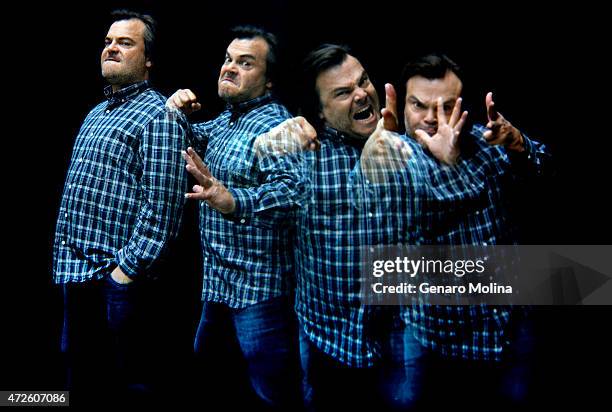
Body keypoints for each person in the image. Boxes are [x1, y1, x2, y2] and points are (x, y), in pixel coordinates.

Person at [387, 53, 551, 408]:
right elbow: (398, 215)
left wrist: (518, 143)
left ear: (464, 108)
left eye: (445, 106)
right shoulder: (391, 161)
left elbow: (545, 171)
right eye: (419, 105)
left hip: (509, 325)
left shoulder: (485, 141)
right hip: (438, 337)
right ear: (402, 105)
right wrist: (449, 166)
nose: (431, 119)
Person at [52, 9, 188, 404]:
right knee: (82, 383)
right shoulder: (96, 113)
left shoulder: (161, 114)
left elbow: (163, 211)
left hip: (116, 282)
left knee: (124, 387)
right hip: (75, 274)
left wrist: (123, 273)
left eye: (125, 42)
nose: (111, 47)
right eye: (109, 42)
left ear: (148, 59)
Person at [166, 26, 306, 408]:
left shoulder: (276, 125)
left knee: (274, 394)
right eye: (229, 59)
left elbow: (292, 193)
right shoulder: (231, 118)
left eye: (246, 63)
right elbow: (192, 137)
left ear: (269, 80)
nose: (230, 68)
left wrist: (234, 201)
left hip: (261, 294)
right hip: (219, 285)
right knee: (212, 379)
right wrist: (175, 110)